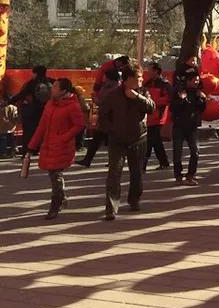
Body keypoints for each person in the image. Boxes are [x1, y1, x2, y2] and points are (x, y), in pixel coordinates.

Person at [98, 66, 154, 220]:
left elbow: (151, 108)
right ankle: (111, 208)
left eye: (142, 78)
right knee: (114, 173)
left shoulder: (143, 92)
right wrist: (112, 129)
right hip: (117, 140)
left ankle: (134, 199)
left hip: (139, 138)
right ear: (127, 79)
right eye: (138, 78)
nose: (141, 81)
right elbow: (102, 116)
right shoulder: (113, 95)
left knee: (137, 173)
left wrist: (137, 97)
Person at [25, 78, 85, 219]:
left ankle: (55, 204)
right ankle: (61, 197)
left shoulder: (72, 106)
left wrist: (63, 137)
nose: (52, 88)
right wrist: (31, 146)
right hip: (49, 146)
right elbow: (42, 126)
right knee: (53, 174)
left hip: (62, 146)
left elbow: (80, 125)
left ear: (63, 91)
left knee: (55, 174)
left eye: (55, 86)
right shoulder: (50, 105)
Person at [170, 72, 206, 185]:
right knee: (177, 153)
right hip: (179, 126)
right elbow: (172, 108)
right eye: (195, 80)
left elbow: (201, 109)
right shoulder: (179, 91)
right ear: (188, 81)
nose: (196, 82)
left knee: (195, 151)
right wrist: (181, 100)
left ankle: (190, 175)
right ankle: (178, 176)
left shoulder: (198, 93)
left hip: (192, 127)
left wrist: (203, 99)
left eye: (198, 80)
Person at [13, 65, 52, 155]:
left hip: (32, 111)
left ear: (36, 73)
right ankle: (40, 149)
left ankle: (28, 150)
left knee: (28, 132)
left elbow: (21, 94)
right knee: (43, 131)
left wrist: (9, 101)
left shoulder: (31, 83)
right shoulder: (51, 81)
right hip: (46, 111)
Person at [143, 63, 171, 170]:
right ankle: (164, 162)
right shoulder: (148, 83)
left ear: (156, 71)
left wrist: (154, 102)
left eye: (150, 70)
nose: (148, 72)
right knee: (156, 141)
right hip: (149, 116)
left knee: (150, 140)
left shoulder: (164, 84)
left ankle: (143, 163)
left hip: (158, 116)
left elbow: (169, 98)